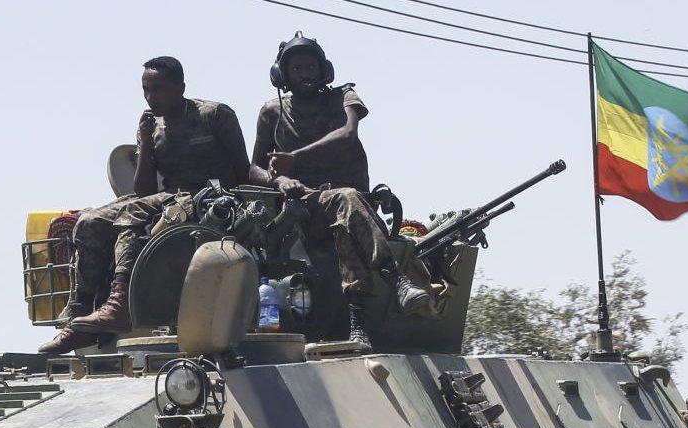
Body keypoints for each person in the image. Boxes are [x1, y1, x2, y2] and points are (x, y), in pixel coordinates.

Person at [39, 56, 250, 354]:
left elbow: (243, 170)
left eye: (159, 89)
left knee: (132, 214)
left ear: (180, 87)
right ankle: (79, 312)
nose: (151, 97)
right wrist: (146, 144)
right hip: (168, 195)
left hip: (212, 196)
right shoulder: (154, 126)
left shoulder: (213, 115)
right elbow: (143, 189)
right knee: (88, 222)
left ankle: (120, 302)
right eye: (146, 89)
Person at [248, 32, 431, 348]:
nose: (305, 73)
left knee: (344, 226)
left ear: (324, 70)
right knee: (345, 201)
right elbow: (253, 168)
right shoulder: (272, 112)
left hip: (348, 204)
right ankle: (396, 280)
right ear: (283, 76)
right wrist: (279, 180)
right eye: (297, 68)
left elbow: (348, 133)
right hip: (303, 204)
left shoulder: (343, 97)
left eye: (310, 67)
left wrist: (295, 157)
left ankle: (357, 324)